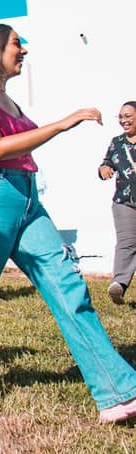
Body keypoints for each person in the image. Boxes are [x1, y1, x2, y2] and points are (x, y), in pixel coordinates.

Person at [0, 0, 136, 425]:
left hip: (27, 199)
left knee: (69, 287)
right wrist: (62, 123)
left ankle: (117, 392)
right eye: (18, 43)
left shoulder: (9, 100)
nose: (25, 50)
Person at [99, 101, 136, 304]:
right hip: (124, 201)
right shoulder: (117, 142)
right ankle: (119, 284)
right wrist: (103, 169)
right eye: (121, 116)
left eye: (128, 116)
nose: (123, 120)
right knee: (126, 243)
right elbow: (107, 162)